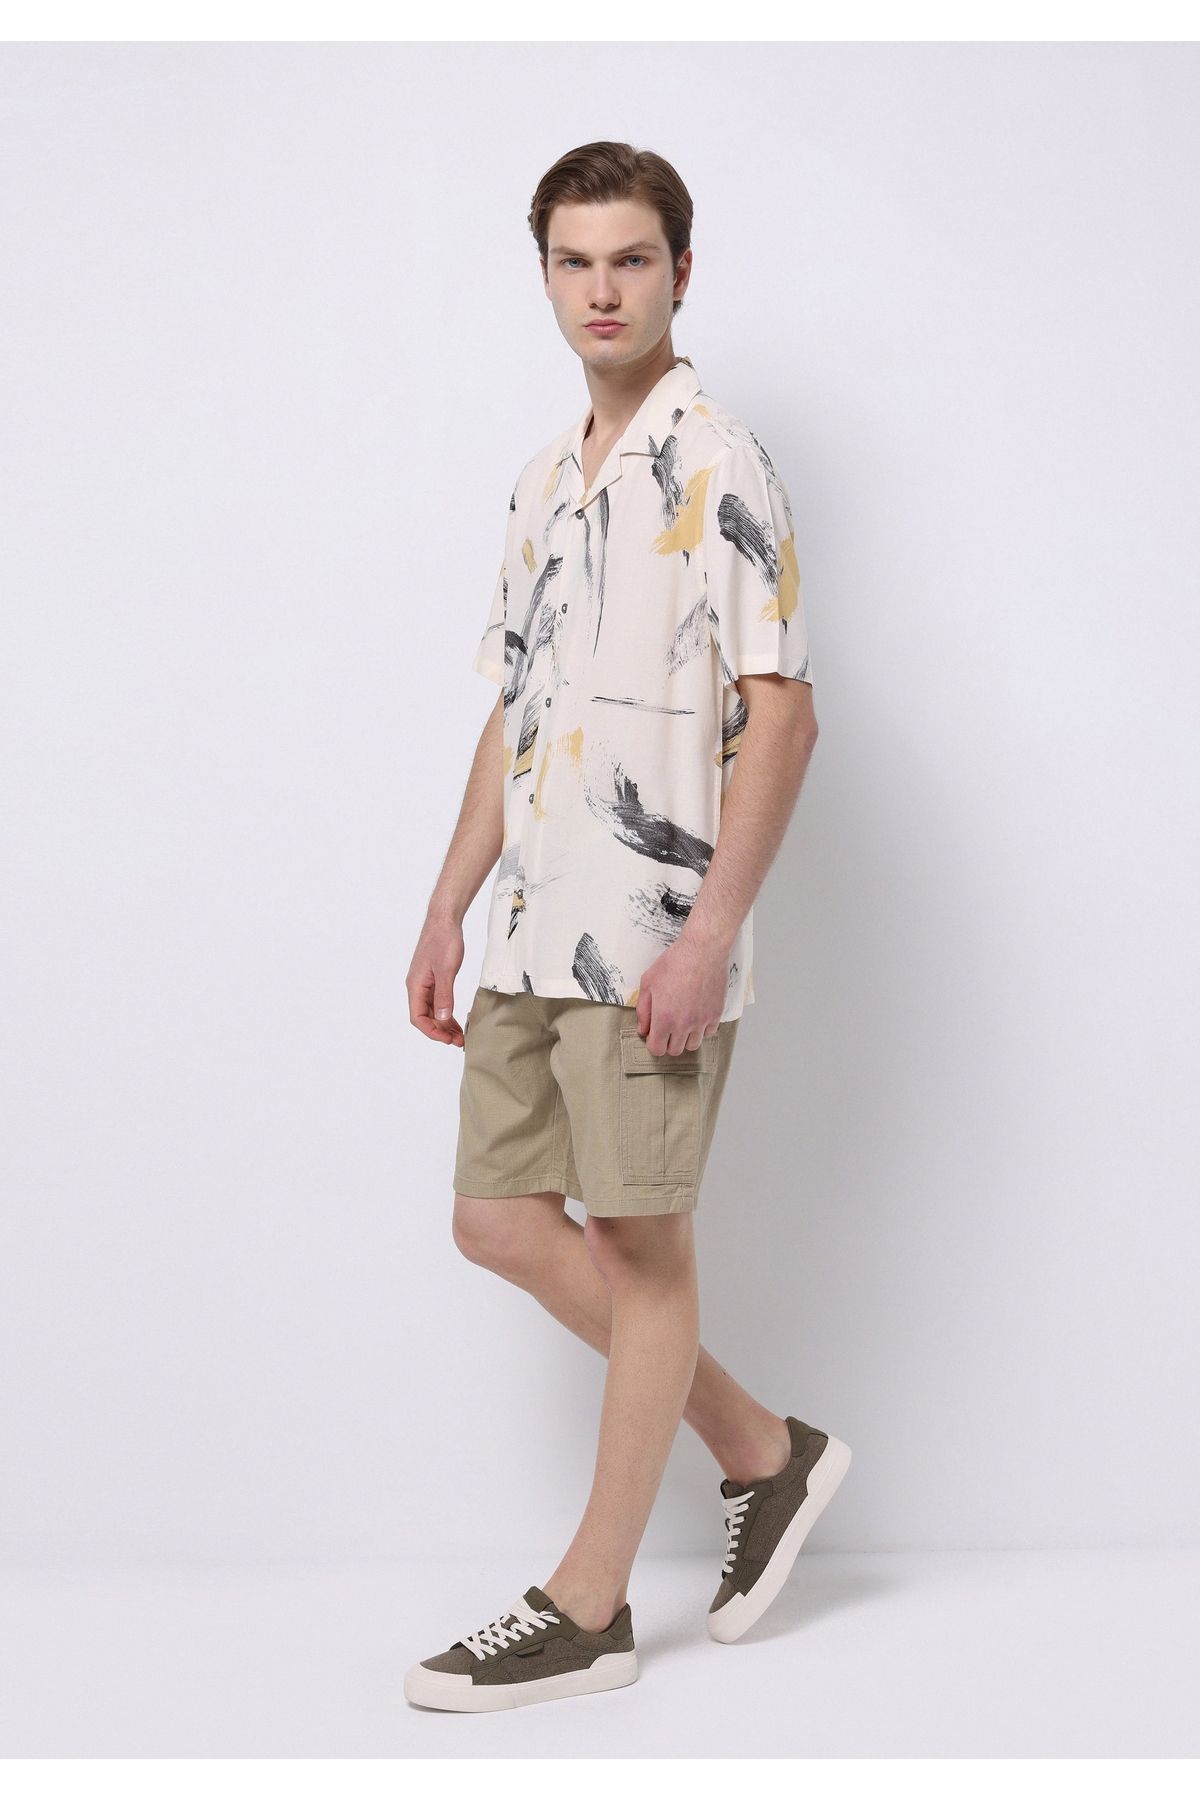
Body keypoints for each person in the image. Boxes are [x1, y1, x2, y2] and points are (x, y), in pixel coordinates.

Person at [403, 140, 850, 1714]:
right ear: (545, 277)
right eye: (577, 262)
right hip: (532, 926)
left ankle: (588, 1606)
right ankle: (764, 1453)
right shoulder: (543, 479)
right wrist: (447, 902)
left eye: (633, 259)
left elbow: (784, 717)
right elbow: (512, 709)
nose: (604, 289)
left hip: (653, 929)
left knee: (642, 1243)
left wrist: (709, 935)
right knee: (497, 1217)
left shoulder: (721, 462)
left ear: (680, 273)